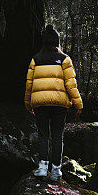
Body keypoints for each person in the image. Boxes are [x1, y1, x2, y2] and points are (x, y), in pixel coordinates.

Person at [24, 24, 83, 181]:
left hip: (40, 104)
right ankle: (56, 171)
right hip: (59, 105)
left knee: (43, 135)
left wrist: (28, 103)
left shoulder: (35, 59)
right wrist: (78, 104)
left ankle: (42, 168)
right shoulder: (64, 59)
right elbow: (71, 84)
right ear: (57, 42)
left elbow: (29, 84)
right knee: (57, 136)